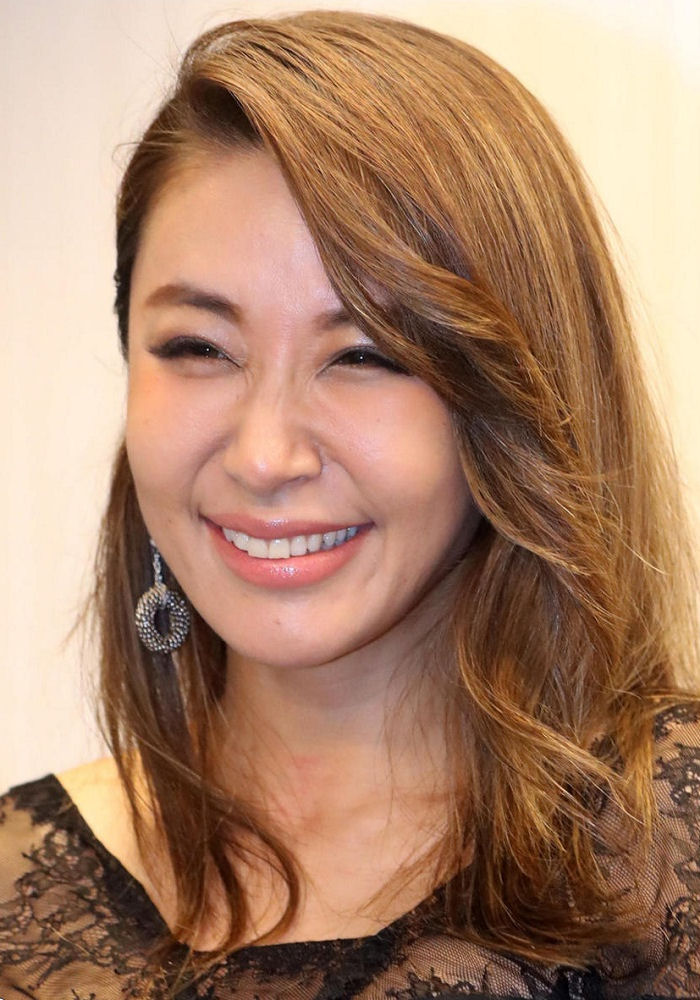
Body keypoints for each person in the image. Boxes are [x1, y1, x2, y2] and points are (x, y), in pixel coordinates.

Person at [1, 9, 699, 998]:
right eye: (198, 348)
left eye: (366, 354)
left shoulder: (671, 850)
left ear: (517, 402)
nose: (264, 455)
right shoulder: (20, 890)